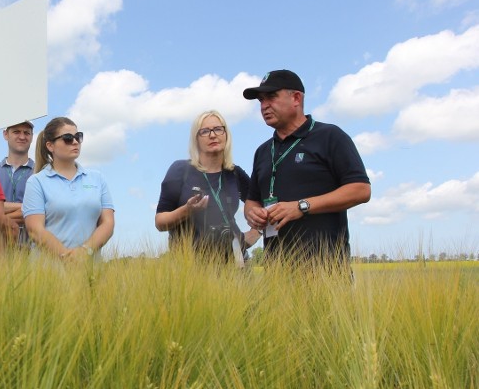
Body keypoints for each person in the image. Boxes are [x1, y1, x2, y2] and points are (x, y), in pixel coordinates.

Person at [242, 69, 370, 264]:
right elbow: (252, 200)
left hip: (326, 270)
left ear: (296, 98)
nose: (264, 106)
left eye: (271, 97)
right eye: (261, 100)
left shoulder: (330, 136)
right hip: (275, 272)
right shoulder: (263, 151)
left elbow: (361, 190)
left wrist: (301, 206)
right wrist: (252, 214)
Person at [155, 110, 260, 264]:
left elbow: (261, 203)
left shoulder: (234, 174)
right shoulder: (180, 170)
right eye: (205, 131)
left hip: (236, 264)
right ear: (196, 139)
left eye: (218, 129)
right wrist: (186, 211)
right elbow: (160, 222)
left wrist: (254, 233)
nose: (212, 135)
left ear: (226, 135)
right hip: (190, 268)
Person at [22, 117, 115, 260]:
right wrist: (68, 257)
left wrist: (85, 251)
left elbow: (108, 223)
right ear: (50, 146)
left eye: (78, 137)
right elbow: (35, 229)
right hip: (47, 272)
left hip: (90, 271)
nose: (75, 141)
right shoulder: (36, 182)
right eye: (67, 138)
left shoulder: (98, 178)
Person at [0, 121, 35, 246]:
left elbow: (46, 211)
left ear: (32, 136)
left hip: (33, 249)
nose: (22, 137)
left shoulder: (41, 172)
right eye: (16, 132)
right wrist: (27, 207)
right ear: (5, 134)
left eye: (26, 133)